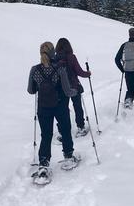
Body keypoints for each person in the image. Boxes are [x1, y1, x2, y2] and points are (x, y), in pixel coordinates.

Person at [27, 42, 80, 182]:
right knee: (65, 130)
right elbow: (68, 91)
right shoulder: (59, 69)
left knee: (46, 135)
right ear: (52, 53)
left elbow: (31, 90)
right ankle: (68, 156)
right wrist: (76, 90)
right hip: (60, 106)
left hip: (43, 108)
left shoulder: (34, 69)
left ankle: (44, 164)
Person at [54, 37, 91, 137]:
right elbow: (79, 72)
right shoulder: (72, 57)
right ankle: (80, 127)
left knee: (63, 109)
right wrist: (88, 74)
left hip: (61, 88)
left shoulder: (55, 58)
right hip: (74, 86)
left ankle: (63, 131)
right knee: (77, 107)